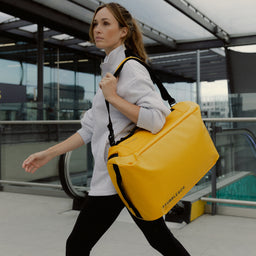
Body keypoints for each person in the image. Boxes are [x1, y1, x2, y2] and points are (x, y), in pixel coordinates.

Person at [22, 2, 190, 256]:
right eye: (95, 24)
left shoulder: (130, 68)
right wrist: (49, 153)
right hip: (120, 177)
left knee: (77, 245)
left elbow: (157, 119)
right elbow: (89, 129)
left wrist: (113, 98)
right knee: (160, 240)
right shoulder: (110, 69)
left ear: (123, 31)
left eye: (105, 23)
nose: (97, 29)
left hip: (120, 178)